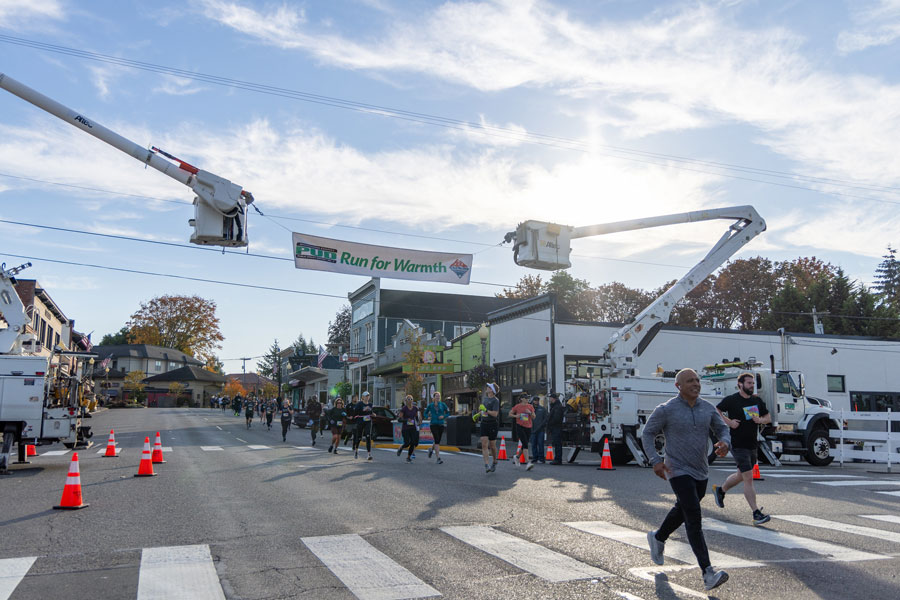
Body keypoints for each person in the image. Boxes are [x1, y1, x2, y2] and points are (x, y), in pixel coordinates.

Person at [642, 368, 732, 592]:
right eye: (690, 381)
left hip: (700, 470)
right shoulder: (666, 409)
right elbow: (647, 433)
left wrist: (725, 442)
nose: (696, 384)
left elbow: (722, 428)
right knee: (693, 514)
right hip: (677, 469)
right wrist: (655, 460)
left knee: (685, 507)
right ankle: (708, 572)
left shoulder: (707, 408)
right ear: (678, 386)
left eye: (698, 380)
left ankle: (659, 536)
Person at [712, 372, 772, 525]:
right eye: (749, 383)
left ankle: (720, 490)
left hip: (752, 444)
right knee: (748, 478)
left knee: (741, 475)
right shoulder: (732, 400)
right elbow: (716, 411)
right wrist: (729, 422)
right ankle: (756, 513)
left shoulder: (756, 400)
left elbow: (768, 417)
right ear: (740, 384)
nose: (752, 386)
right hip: (737, 444)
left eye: (753, 383)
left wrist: (760, 420)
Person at [478, 383, 501, 473]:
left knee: (492, 446)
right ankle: (487, 464)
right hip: (484, 423)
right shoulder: (485, 399)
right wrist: (478, 414)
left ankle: (495, 461)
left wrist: (486, 410)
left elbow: (495, 414)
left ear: (492, 390)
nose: (487, 388)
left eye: (488, 387)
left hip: (492, 424)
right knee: (484, 444)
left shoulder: (495, 400)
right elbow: (483, 412)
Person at [509, 393, 536, 470]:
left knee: (525, 444)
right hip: (520, 426)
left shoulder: (530, 406)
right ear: (521, 399)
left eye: (528, 398)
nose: (527, 399)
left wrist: (530, 413)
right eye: (525, 398)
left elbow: (534, 417)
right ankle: (528, 463)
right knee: (525, 444)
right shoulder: (517, 406)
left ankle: (517, 457)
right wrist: (516, 416)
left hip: (528, 427)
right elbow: (510, 414)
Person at [424, 391, 449, 465]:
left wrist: (443, 416)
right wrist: (427, 417)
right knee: (437, 440)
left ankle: (431, 449)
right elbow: (425, 412)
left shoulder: (443, 405)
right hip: (433, 424)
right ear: (434, 397)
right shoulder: (430, 405)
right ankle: (438, 458)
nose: (438, 397)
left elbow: (448, 412)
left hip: (441, 424)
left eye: (439, 396)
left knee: (437, 440)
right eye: (436, 396)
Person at [396, 395, 421, 463]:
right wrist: (407, 420)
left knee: (413, 442)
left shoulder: (415, 408)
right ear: (406, 401)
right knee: (407, 443)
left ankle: (408, 457)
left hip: (413, 428)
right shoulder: (404, 409)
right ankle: (401, 447)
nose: (410, 400)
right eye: (408, 399)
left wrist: (418, 421)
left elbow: (416, 417)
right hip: (405, 428)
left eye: (411, 399)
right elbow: (399, 419)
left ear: (413, 400)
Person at [352, 391, 375, 460]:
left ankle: (369, 454)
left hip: (368, 421)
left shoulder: (370, 404)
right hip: (360, 421)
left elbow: (371, 412)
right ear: (362, 397)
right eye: (366, 396)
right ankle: (356, 450)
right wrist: (363, 410)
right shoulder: (359, 404)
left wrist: (373, 414)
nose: (367, 397)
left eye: (368, 396)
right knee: (359, 437)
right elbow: (355, 412)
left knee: (368, 436)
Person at [547, 392, 564, 465]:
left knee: (557, 443)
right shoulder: (555, 406)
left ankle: (558, 459)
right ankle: (557, 458)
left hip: (556, 427)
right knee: (557, 443)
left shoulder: (557, 407)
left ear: (553, 398)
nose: (549, 399)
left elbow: (556, 418)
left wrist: (550, 424)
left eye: (550, 398)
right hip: (555, 427)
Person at [530, 396, 548, 464]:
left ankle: (541, 458)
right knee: (533, 445)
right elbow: (525, 418)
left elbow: (545, 419)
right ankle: (535, 458)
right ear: (533, 401)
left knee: (540, 444)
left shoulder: (542, 409)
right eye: (535, 400)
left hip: (540, 430)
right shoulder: (530, 409)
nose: (536, 401)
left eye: (537, 400)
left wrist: (541, 426)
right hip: (532, 430)